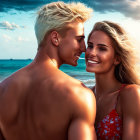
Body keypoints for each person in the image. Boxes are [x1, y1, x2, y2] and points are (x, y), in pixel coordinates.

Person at [0, 2, 97, 140]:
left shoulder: (3, 90)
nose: (84, 48)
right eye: (79, 39)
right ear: (55, 38)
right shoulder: (78, 94)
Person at [85, 21, 140, 139]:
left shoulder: (130, 94)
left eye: (102, 49)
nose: (91, 53)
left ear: (117, 59)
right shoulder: (86, 96)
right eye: (90, 46)